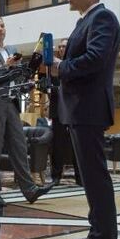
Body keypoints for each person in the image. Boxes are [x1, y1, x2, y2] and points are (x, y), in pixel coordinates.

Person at [46, 0, 120, 239]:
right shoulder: (84, 20)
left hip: (89, 109)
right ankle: (96, 235)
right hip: (78, 110)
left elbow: (95, 59)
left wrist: (60, 65)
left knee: (96, 179)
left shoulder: (103, 18)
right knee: (89, 180)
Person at [0, 16, 52, 206]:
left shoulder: (11, 50)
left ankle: (30, 190)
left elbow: (15, 78)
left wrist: (26, 83)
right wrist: (6, 66)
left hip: (11, 104)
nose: (0, 29)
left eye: (2, 26)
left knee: (19, 146)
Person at [48, 38, 81, 186]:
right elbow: (47, 87)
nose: (61, 48)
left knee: (78, 146)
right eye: (60, 46)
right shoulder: (51, 67)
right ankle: (56, 177)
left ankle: (80, 177)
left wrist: (59, 89)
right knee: (57, 146)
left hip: (75, 112)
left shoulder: (76, 64)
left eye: (64, 46)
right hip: (58, 112)